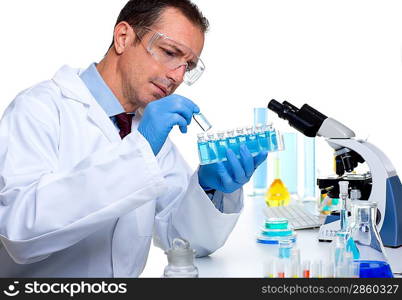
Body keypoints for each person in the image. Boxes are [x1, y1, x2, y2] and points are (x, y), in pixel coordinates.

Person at [0, 0, 267, 277]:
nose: (176, 76)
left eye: (188, 66)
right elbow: (19, 231)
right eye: (169, 52)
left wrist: (209, 190)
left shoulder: (146, 129)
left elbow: (184, 239)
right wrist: (139, 151)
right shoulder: (39, 109)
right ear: (123, 37)